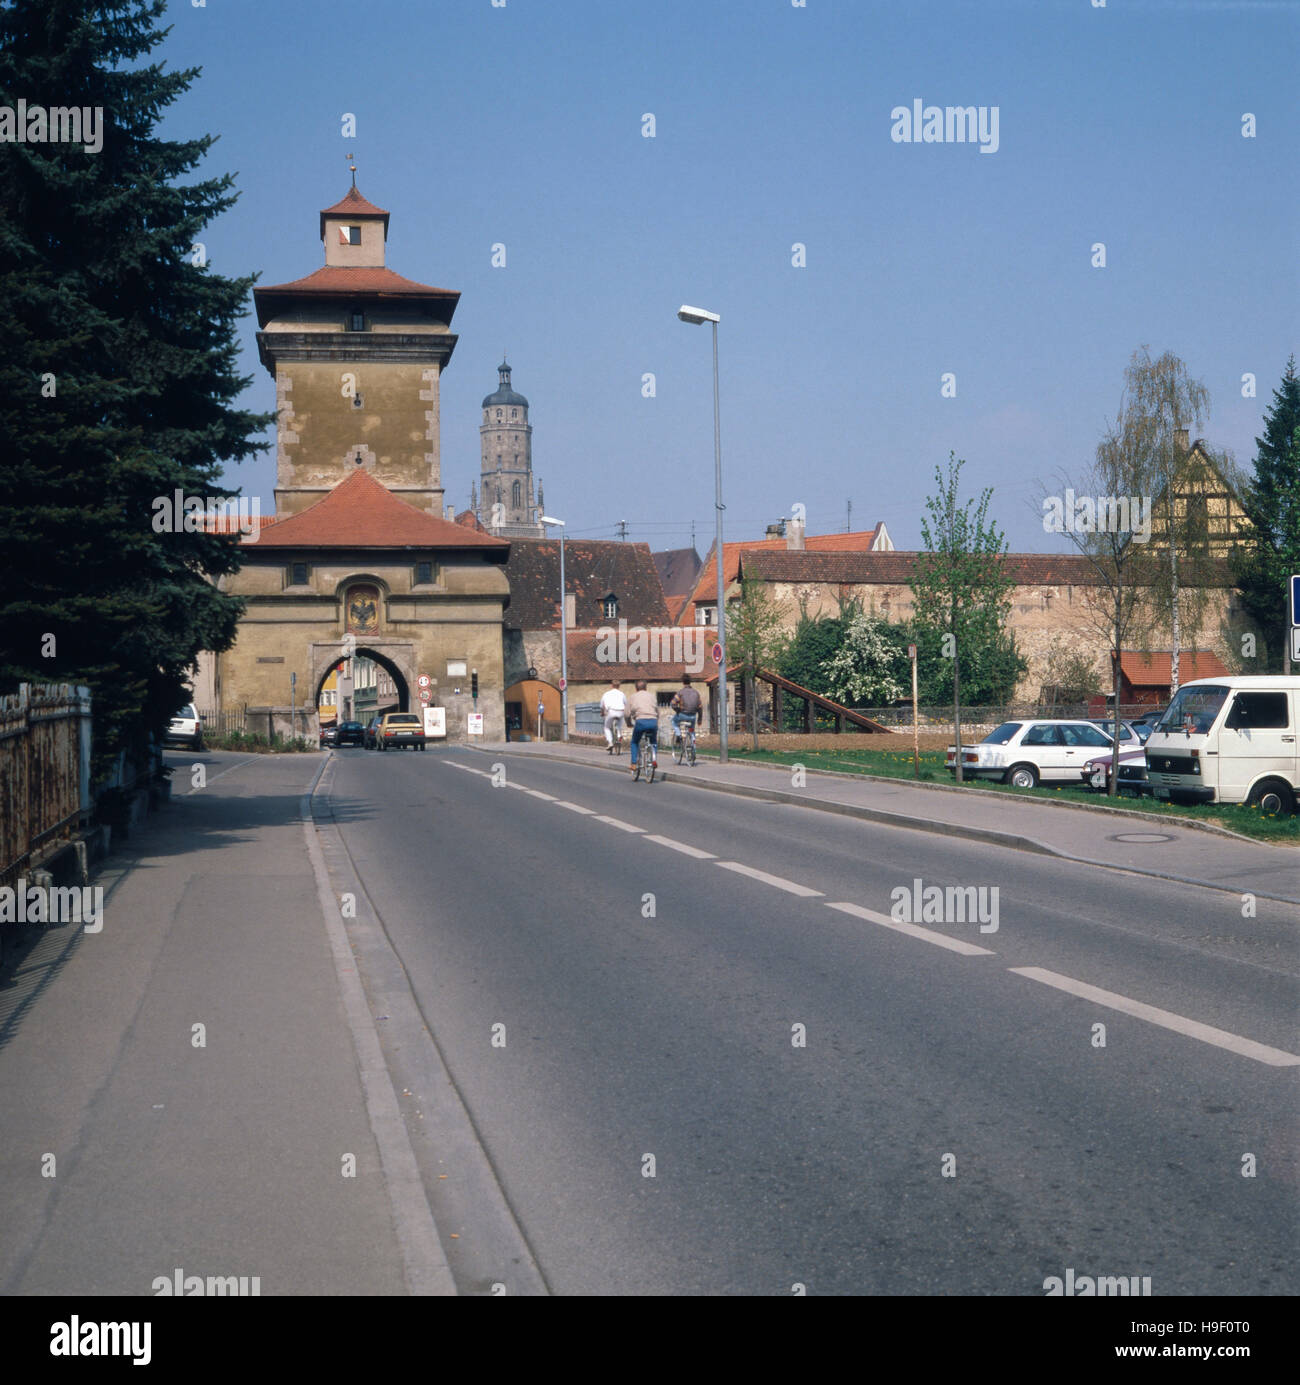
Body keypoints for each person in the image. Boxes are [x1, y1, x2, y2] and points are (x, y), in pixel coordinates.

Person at [625, 680, 659, 775]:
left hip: (640, 722)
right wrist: (657, 722)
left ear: (636, 688)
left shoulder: (633, 697)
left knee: (634, 742)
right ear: (646, 687)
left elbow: (627, 713)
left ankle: (634, 763)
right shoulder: (652, 696)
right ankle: (653, 759)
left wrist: (628, 723)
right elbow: (657, 710)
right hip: (653, 721)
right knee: (653, 741)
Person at [670, 672, 702, 747]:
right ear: (690, 682)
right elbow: (700, 707)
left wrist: (678, 710)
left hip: (682, 715)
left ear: (683, 682)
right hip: (693, 716)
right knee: (692, 730)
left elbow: (672, 703)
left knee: (673, 721)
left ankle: (678, 735)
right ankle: (693, 744)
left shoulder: (680, 692)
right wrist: (699, 719)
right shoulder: (696, 693)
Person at [599, 679, 628, 753]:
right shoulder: (622, 694)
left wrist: (602, 713)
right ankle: (619, 736)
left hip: (611, 712)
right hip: (621, 712)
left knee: (607, 727)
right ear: (619, 686)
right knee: (619, 726)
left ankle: (610, 742)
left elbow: (602, 706)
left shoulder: (606, 694)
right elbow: (626, 704)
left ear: (611, 685)